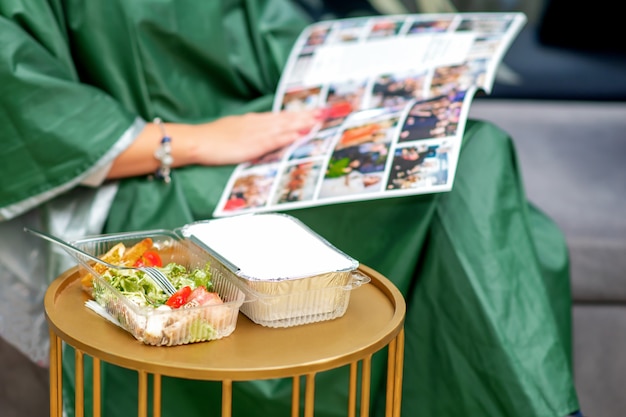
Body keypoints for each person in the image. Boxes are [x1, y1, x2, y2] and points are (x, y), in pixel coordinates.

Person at [0, 1, 582, 417]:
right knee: (454, 184)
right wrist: (200, 140)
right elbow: (28, 104)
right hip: (142, 174)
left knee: (473, 151)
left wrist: (377, 74)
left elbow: (267, 33)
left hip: (259, 125)